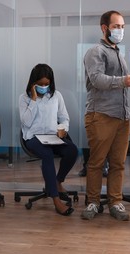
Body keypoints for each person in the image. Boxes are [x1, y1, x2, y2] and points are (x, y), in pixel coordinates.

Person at [81, 11, 130, 221]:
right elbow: (97, 79)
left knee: (118, 163)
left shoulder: (120, 54)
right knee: (97, 162)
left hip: (122, 117)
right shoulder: (95, 52)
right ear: (104, 28)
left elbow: (121, 83)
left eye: (123, 26)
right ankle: (93, 202)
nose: (120, 30)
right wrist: (123, 81)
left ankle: (115, 202)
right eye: (117, 26)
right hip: (101, 115)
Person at [19, 63, 78, 216]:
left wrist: (63, 129)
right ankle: (56, 199)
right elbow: (25, 122)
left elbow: (64, 117)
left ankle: (58, 181)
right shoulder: (24, 98)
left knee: (72, 150)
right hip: (33, 137)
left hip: (53, 136)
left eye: (47, 84)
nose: (44, 87)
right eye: (40, 84)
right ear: (33, 82)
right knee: (47, 155)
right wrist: (33, 100)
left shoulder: (56, 95)